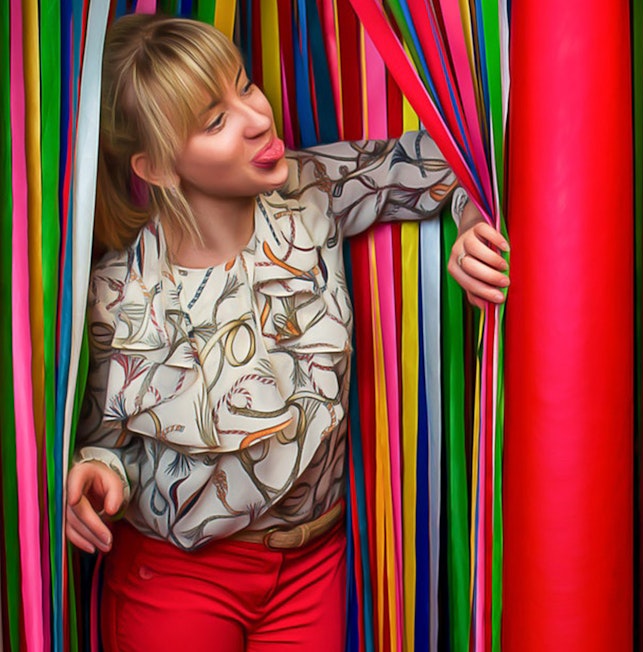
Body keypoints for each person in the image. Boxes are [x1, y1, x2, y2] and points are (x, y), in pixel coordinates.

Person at [64, 13, 509, 651]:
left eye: (245, 86)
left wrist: (471, 226)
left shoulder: (313, 190)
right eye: (215, 121)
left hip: (312, 569)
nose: (257, 118)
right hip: (179, 582)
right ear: (158, 167)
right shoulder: (117, 293)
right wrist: (98, 470)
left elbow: (456, 162)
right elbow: (110, 446)